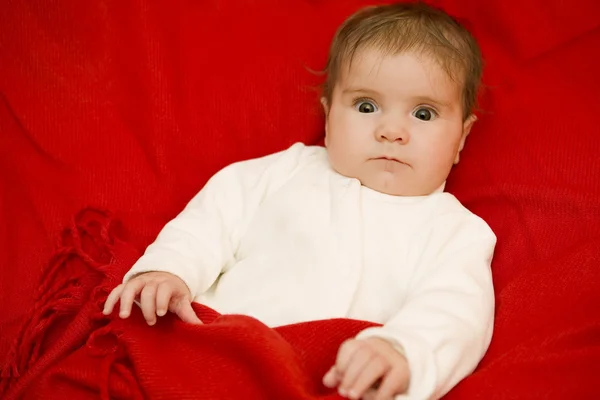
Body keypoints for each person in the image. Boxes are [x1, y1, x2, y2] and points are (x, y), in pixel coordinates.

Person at [103, 2, 496, 399]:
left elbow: (456, 311)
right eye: (366, 106)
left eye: (424, 114)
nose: (391, 130)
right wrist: (170, 271)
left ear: (461, 138)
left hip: (328, 377)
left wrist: (400, 350)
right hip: (214, 351)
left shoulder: (454, 231)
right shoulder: (281, 173)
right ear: (328, 116)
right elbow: (210, 222)